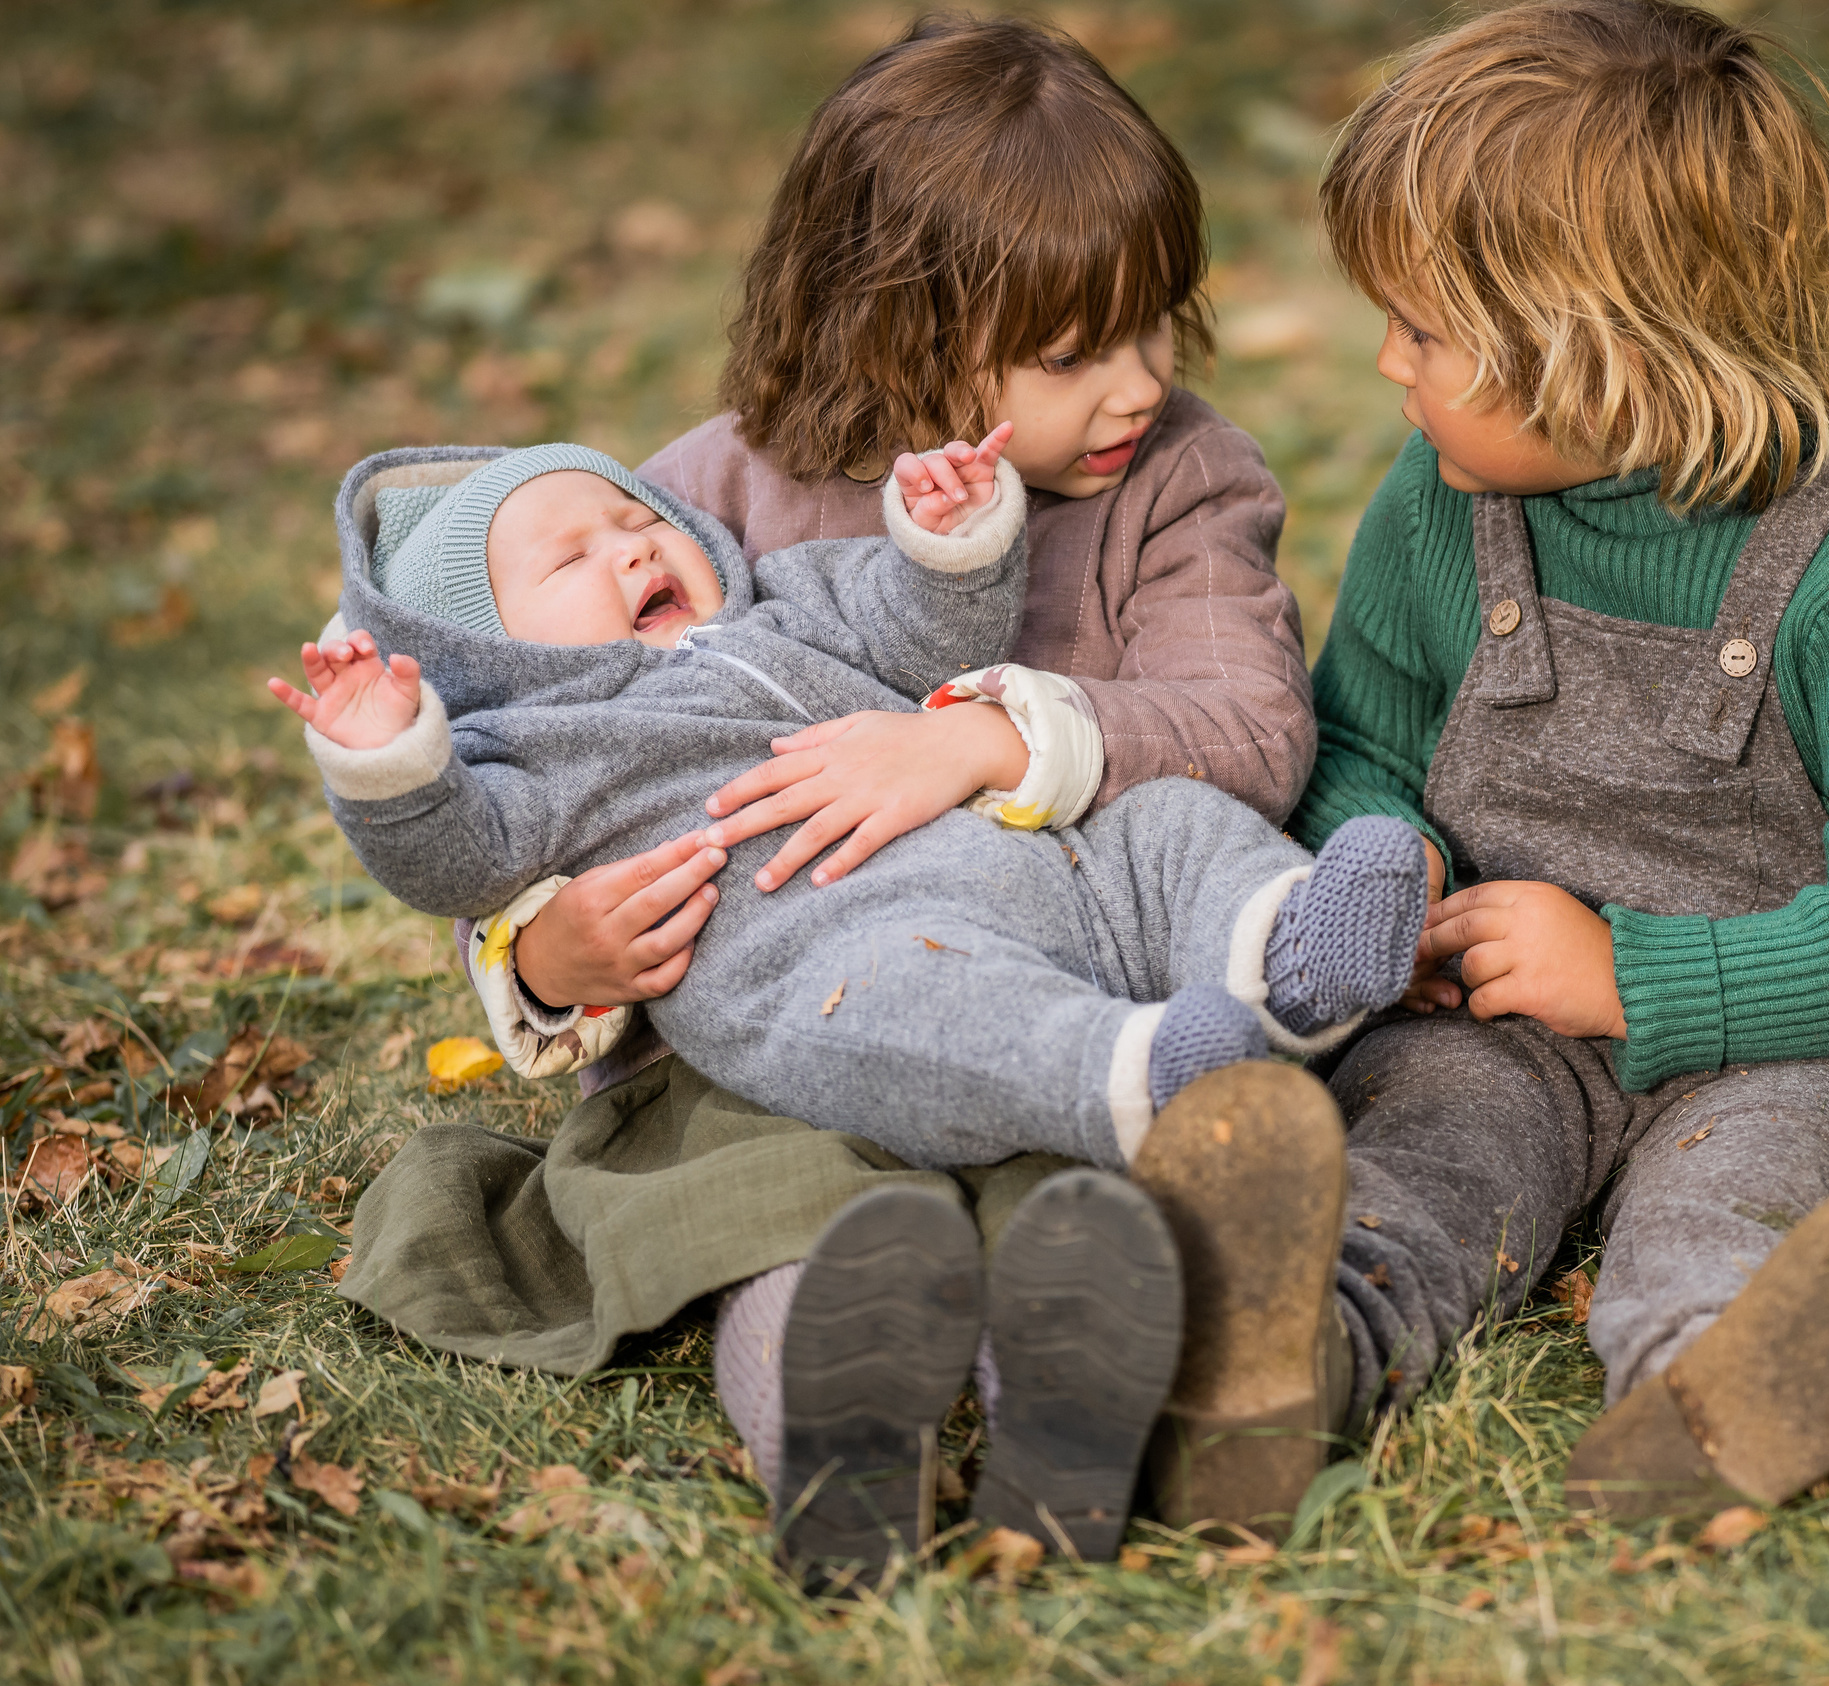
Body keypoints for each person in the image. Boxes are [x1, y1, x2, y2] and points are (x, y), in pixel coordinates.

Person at [333, 14, 1353, 1581]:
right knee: (783, 1215)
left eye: (1156, 322)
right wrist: (545, 958)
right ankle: (836, 1443)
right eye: (1071, 354)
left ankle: (1063, 1414)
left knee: (1084, 1196)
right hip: (773, 1046)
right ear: (890, 329)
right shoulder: (697, 499)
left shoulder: (1180, 479)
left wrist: (983, 742)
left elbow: (1249, 728)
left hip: (1069, 979)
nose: (1140, 382)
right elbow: (534, 769)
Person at [292, 434, 1424, 1573]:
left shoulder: (787, 601)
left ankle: (1285, 956)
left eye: (638, 521)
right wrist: (389, 760)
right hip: (825, 954)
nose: (632, 549)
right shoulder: (529, 747)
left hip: (1027, 863)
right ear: (484, 648)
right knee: (893, 1091)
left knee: (1164, 827)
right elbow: (456, 855)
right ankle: (1119, 1100)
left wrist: (946, 540)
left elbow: (918, 627)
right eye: (570, 557)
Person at [1290, 0, 1829, 1518]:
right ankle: (1286, 1357)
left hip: (1808, 1045)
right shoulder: (1439, 507)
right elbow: (1356, 740)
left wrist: (1638, 980)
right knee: (1422, 1153)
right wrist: (1390, 865)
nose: (1385, 362)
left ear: (1604, 354)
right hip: (1496, 1027)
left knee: (1735, 1190)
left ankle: (1709, 1392)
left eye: (1424, 331)